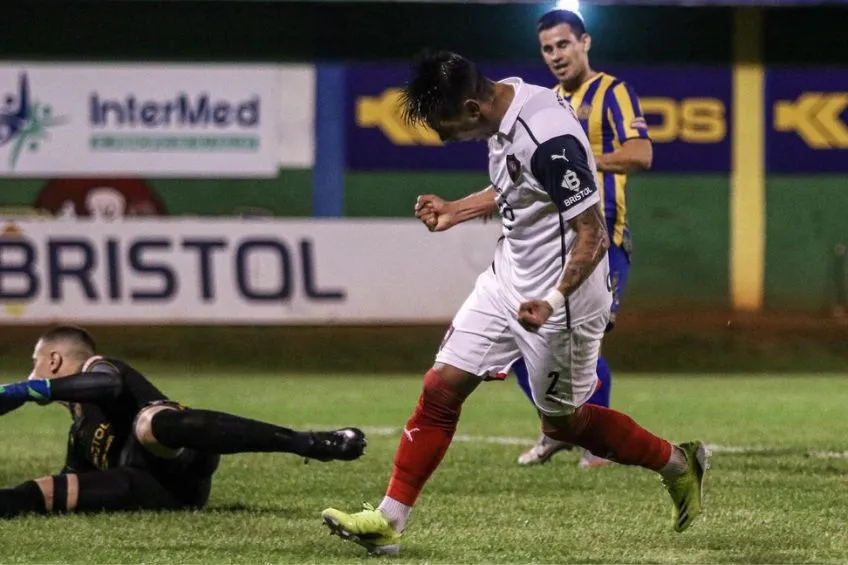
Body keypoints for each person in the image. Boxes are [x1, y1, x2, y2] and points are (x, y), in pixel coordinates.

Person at [320, 49, 709, 556]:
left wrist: (552, 299)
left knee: (564, 423)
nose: (445, 138)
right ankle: (388, 521)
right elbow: (516, 186)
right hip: (507, 279)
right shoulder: (506, 100)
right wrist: (456, 210)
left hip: (562, 301)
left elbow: (592, 235)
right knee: (441, 386)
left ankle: (678, 464)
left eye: (447, 127)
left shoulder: (549, 137)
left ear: (472, 108)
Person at [0, 325, 366, 518]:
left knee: (149, 424)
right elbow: (72, 482)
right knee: (49, 489)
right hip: (158, 492)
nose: (31, 370)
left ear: (52, 359)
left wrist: (26, 390)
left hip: (185, 455)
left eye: (34, 362)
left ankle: (306, 442)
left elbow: (107, 386)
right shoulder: (77, 432)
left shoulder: (100, 367)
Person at [514, 8, 654, 468]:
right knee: (520, 338)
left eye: (563, 44)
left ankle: (600, 446)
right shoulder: (545, 102)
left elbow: (641, 152)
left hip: (603, 239)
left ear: (584, 42)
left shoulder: (612, 91)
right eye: (548, 48)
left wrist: (581, 158)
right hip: (551, 245)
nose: (556, 55)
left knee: (584, 343)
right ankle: (557, 428)